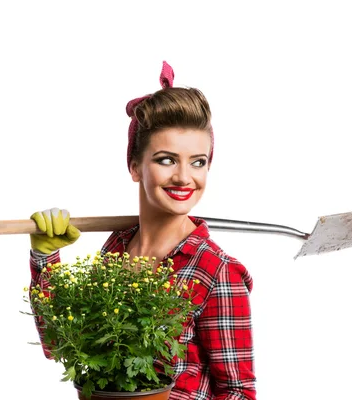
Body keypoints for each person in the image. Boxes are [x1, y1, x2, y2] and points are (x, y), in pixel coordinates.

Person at [28, 61, 256, 399]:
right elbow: (60, 344)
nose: (184, 177)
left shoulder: (216, 271)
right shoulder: (117, 248)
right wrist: (46, 257)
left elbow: (239, 392)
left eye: (198, 161)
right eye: (166, 160)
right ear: (135, 166)